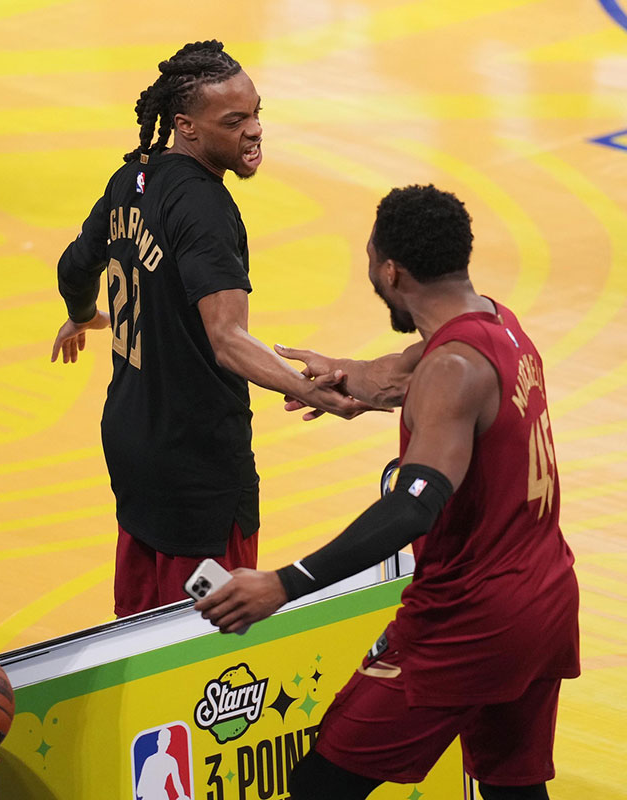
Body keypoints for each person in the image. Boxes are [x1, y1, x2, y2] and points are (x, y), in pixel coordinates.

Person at [196, 185, 581, 800]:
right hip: (544, 601)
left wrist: (284, 583)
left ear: (390, 269)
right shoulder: (494, 323)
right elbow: (396, 375)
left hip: (469, 621)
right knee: (512, 788)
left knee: (321, 786)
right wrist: (338, 373)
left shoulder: (452, 371)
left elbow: (413, 505)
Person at [52, 40, 367, 617]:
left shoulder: (132, 179)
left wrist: (80, 314)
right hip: (196, 465)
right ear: (186, 127)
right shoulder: (203, 206)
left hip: (131, 443)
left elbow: (74, 266)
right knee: (207, 642)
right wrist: (310, 389)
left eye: (256, 114)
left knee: (137, 627)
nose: (254, 131)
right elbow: (227, 339)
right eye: (234, 120)